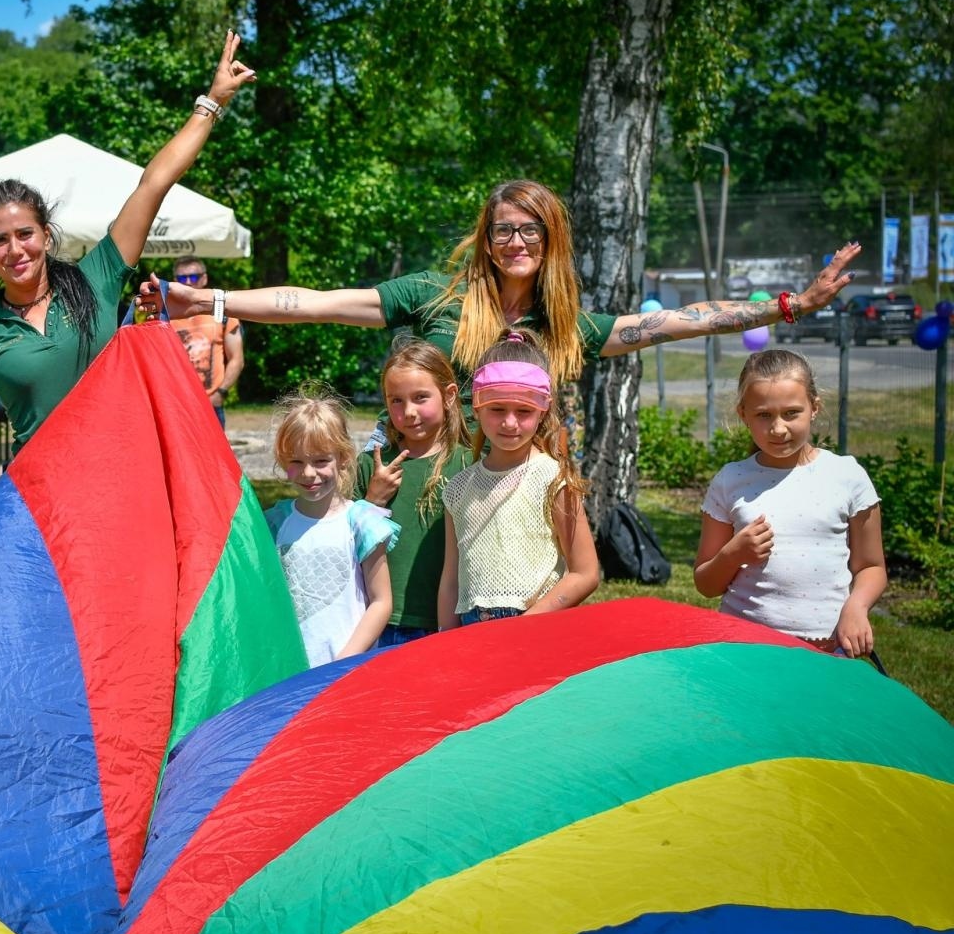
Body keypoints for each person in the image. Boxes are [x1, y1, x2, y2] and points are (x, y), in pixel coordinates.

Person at [139, 180, 861, 415]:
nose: (516, 241)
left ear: (550, 239)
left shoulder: (568, 325)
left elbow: (679, 322)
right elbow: (313, 301)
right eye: (502, 230)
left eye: (529, 229)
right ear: (486, 239)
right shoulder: (433, 295)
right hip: (418, 475)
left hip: (514, 492)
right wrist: (206, 301)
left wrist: (787, 307)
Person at [0, 30, 257, 530]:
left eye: (25, 234)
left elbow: (153, 183)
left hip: (129, 492)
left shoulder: (96, 278)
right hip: (41, 510)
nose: (15, 250)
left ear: (46, 235)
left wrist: (211, 102)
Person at [693, 349, 885, 656]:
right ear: (743, 414)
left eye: (791, 413)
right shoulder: (730, 480)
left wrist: (857, 607)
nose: (778, 428)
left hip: (828, 650)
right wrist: (733, 554)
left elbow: (872, 566)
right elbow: (706, 584)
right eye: (764, 415)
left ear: (814, 407)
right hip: (744, 649)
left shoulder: (847, 476)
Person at [439, 331, 600, 628]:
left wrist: (523, 625)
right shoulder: (457, 490)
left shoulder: (553, 479)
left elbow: (586, 573)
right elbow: (451, 580)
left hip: (535, 632)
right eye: (497, 409)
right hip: (471, 633)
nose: (509, 422)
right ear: (477, 406)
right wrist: (444, 642)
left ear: (543, 410)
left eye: (524, 411)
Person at [263, 388, 398, 667]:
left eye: (321, 461)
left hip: (346, 671)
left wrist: (346, 659)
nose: (308, 473)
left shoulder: (361, 522)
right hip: (289, 669)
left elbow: (381, 601)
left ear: (343, 457)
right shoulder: (275, 521)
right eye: (296, 461)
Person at [353, 340, 472, 646]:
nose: (408, 412)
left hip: (446, 622)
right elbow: (344, 544)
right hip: (377, 622)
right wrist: (373, 500)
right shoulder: (371, 465)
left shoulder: (468, 465)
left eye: (420, 398)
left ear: (449, 396)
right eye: (396, 401)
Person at [167, 257, 244, 427]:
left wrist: (220, 393)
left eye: (194, 277)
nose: (188, 282)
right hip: (176, 404)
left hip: (211, 403)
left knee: (215, 446)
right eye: (182, 278)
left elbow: (237, 359)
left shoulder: (222, 313)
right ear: (175, 281)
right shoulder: (165, 315)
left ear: (204, 278)